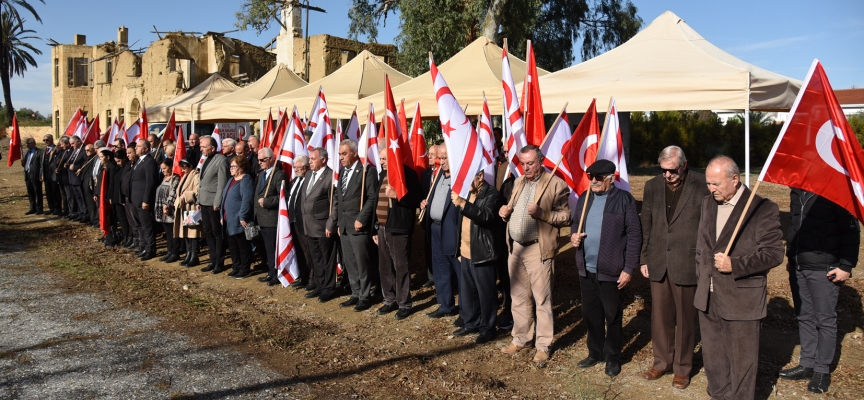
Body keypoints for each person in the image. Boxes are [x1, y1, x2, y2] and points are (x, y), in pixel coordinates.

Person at [694, 156, 784, 400]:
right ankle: (718, 394)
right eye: (708, 183)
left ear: (735, 179)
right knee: (713, 356)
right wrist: (702, 276)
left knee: (742, 361)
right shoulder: (707, 203)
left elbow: (774, 254)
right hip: (707, 296)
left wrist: (735, 265)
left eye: (716, 184)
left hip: (742, 300)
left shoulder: (762, 208)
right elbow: (702, 246)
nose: (711, 189)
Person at [638, 146, 709, 389]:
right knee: (660, 317)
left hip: (687, 262)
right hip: (658, 261)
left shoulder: (702, 185)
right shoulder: (652, 186)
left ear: (684, 164)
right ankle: (661, 362)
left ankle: (682, 368)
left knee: (686, 319)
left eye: (672, 170)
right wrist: (644, 258)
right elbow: (646, 224)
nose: (667, 175)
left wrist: (704, 259)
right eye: (663, 170)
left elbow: (708, 225)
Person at [779, 189, 860, 393]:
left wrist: (846, 265)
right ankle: (807, 364)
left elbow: (851, 230)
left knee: (824, 319)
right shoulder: (796, 191)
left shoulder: (834, 191)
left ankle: (822, 369)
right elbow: (794, 225)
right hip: (798, 265)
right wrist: (791, 256)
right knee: (804, 316)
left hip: (824, 268)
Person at [498, 145, 570, 366]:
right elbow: (513, 209)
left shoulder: (555, 184)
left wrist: (543, 214)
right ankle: (521, 338)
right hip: (516, 248)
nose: (526, 167)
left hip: (538, 249)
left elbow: (566, 217)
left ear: (541, 161)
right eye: (523, 163)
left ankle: (543, 345)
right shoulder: (519, 182)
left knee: (542, 299)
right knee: (518, 297)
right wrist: (504, 213)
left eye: (530, 163)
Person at [570, 159, 641, 376]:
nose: (593, 180)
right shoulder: (585, 198)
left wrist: (628, 269)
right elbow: (576, 223)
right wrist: (573, 236)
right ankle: (595, 352)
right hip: (586, 268)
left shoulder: (624, 200)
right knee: (590, 314)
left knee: (613, 315)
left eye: (598, 177)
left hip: (611, 270)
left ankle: (612, 357)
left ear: (611, 178)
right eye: (590, 176)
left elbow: (634, 235)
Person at [452, 170, 501, 344]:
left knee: (486, 293)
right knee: (468, 291)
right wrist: (459, 249)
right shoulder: (468, 192)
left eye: (469, 178)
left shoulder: (492, 194)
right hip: (466, 252)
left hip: (482, 253)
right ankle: (471, 322)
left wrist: (462, 203)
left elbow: (486, 216)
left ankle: (488, 328)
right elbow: (462, 224)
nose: (465, 182)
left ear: (480, 177)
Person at [332, 139, 378, 311]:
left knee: (361, 263)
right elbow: (340, 199)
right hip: (344, 226)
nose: (341, 158)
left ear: (354, 153)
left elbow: (372, 198)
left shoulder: (367, 171)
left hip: (359, 225)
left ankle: (365, 296)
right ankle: (356, 292)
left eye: (344, 154)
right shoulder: (343, 172)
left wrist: (362, 218)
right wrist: (339, 222)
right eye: (340, 154)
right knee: (350, 263)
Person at [374, 148, 420, 319]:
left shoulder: (408, 174)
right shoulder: (382, 175)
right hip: (381, 227)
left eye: (384, 159)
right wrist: (374, 227)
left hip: (398, 227)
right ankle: (389, 299)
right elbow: (377, 201)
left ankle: (404, 303)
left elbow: (416, 199)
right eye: (381, 159)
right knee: (384, 266)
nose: (382, 162)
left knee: (400, 266)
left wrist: (398, 195)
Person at [421, 145, 462, 320]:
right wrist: (426, 203)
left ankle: (466, 311)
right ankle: (446, 305)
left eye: (445, 157)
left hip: (452, 230)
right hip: (435, 229)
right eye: (440, 158)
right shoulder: (438, 175)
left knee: (459, 272)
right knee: (440, 269)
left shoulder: (459, 178)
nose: (442, 161)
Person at [301, 147, 338, 302]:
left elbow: (334, 203)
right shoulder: (309, 174)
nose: (309, 162)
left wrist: (331, 223)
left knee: (327, 258)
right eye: (309, 158)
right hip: (309, 225)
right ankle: (319, 284)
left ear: (323, 160)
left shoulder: (330, 176)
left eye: (313, 159)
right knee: (316, 258)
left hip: (323, 226)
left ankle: (329, 288)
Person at [197, 136, 230, 274]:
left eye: (204, 147)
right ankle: (212, 260)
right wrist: (198, 200)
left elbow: (222, 183)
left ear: (212, 148)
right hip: (204, 201)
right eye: (201, 146)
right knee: (208, 232)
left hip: (213, 203)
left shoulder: (221, 160)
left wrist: (217, 202)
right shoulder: (205, 159)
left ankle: (219, 262)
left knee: (217, 233)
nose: (201, 149)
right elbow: (202, 182)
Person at [253, 148, 286, 285]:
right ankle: (271, 271)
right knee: (266, 248)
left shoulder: (278, 175)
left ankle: (276, 274)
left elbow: (282, 196)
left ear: (271, 159)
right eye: (258, 160)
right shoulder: (261, 174)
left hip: (271, 218)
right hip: (261, 217)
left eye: (263, 160)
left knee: (272, 248)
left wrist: (267, 201)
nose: (259, 162)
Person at [221, 155, 255, 279]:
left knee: (243, 245)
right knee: (233, 245)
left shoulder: (246, 180)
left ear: (241, 167)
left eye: (234, 166)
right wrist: (221, 215)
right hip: (228, 219)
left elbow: (247, 199)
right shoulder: (231, 180)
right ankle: (236, 266)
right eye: (231, 166)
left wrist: (242, 216)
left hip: (239, 220)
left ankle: (245, 269)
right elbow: (224, 198)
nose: (231, 169)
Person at [285, 156, 313, 288]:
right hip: (293, 221)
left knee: (308, 252)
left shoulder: (309, 180)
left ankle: (312, 279)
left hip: (304, 222)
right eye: (294, 167)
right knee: (299, 251)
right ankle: (303, 276)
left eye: (298, 167)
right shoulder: (295, 180)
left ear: (306, 168)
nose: (295, 169)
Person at [130, 140, 159, 260]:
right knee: (141, 225)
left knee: (147, 226)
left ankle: (150, 249)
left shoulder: (149, 162)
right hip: (136, 199)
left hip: (143, 200)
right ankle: (145, 247)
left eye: (138, 146)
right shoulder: (139, 161)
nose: (135, 148)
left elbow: (150, 183)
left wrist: (146, 200)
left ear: (146, 149)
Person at [173, 158, 202, 267]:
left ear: (191, 166)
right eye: (182, 168)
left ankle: (194, 255)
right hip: (183, 208)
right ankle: (188, 254)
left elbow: (197, 191)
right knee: (186, 233)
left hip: (191, 208)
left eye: (185, 167)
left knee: (193, 233)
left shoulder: (196, 176)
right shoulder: (185, 176)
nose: (183, 170)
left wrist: (185, 196)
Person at [155, 159, 181, 262]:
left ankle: (175, 252)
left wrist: (167, 205)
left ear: (171, 167)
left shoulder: (175, 179)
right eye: (161, 169)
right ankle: (169, 251)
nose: (163, 170)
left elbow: (173, 193)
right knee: (168, 232)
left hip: (169, 209)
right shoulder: (163, 178)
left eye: (164, 168)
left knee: (172, 232)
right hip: (161, 208)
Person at [94, 149, 118, 244]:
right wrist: (96, 193)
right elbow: (99, 181)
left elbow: (111, 184)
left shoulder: (111, 167)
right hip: (101, 195)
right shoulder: (103, 166)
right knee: (105, 216)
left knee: (110, 217)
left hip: (107, 197)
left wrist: (109, 196)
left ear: (108, 157)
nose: (100, 159)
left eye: (102, 157)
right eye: (99, 157)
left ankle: (112, 235)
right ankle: (106, 234)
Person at [107, 150, 130, 248]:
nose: (118, 163)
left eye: (119, 161)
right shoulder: (116, 168)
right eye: (116, 161)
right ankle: (125, 236)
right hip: (116, 197)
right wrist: (111, 196)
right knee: (121, 218)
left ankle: (129, 236)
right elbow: (112, 183)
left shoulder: (128, 168)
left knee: (127, 219)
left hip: (123, 198)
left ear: (124, 158)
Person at [65, 136, 89, 222]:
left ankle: (86, 214)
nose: (71, 145)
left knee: (82, 197)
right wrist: (67, 164)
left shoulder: (84, 150)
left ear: (78, 142)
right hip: (72, 178)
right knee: (77, 198)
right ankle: (80, 213)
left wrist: (76, 167)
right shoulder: (73, 150)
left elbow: (86, 163)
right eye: (70, 144)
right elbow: (70, 160)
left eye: (73, 143)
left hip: (79, 178)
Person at [122, 146, 140, 250]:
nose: (127, 155)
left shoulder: (138, 164)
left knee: (136, 221)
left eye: (129, 153)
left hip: (134, 197)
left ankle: (139, 242)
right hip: (127, 197)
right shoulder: (128, 164)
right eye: (127, 153)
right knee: (131, 221)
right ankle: (134, 239)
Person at [41, 134, 61, 215]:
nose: (46, 142)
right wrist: (41, 174)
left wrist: (55, 154)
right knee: (48, 192)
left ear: (52, 140)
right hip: (46, 174)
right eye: (44, 140)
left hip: (54, 174)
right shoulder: (43, 150)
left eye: (47, 140)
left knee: (55, 191)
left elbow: (59, 159)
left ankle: (57, 208)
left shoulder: (57, 149)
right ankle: (51, 207)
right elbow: (41, 164)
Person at [22, 138, 43, 215]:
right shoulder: (27, 152)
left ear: (34, 143)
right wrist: (22, 162)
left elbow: (41, 165)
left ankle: (39, 208)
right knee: (30, 192)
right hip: (28, 174)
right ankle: (32, 207)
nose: (27, 145)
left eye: (29, 143)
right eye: (27, 143)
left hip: (36, 174)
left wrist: (41, 174)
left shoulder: (39, 152)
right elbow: (25, 164)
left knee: (37, 192)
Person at [52, 136, 72, 217]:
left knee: (69, 196)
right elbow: (58, 163)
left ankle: (71, 211)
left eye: (62, 144)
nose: (61, 146)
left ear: (67, 144)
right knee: (64, 195)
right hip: (61, 177)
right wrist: (58, 169)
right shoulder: (61, 152)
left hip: (67, 178)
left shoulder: (71, 152)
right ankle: (66, 210)